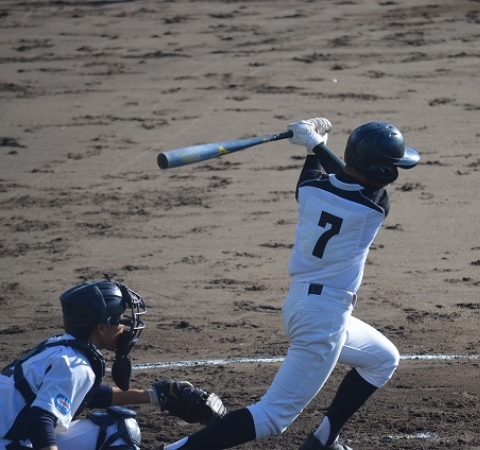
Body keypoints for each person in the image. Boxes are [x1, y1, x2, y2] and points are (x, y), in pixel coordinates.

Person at [160, 118, 420, 450]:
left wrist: (313, 145)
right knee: (272, 416)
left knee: (383, 359)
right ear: (381, 171)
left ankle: (324, 440)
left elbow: (329, 174)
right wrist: (314, 144)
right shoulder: (373, 207)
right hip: (324, 319)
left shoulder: (310, 189)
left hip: (302, 307)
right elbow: (348, 177)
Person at [1, 276, 226, 450]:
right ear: (101, 328)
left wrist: (152, 396)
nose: (124, 326)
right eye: (118, 319)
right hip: (11, 442)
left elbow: (89, 394)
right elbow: (40, 419)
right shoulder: (75, 365)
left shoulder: (58, 347)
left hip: (9, 435)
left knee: (111, 426)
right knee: (120, 429)